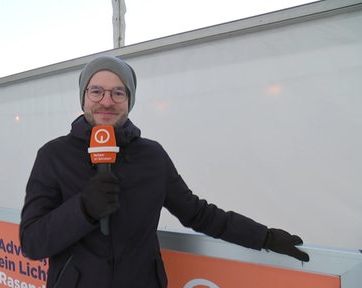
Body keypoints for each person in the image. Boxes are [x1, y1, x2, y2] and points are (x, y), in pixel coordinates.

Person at [20, 55, 309, 287]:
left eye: (118, 92)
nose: (106, 101)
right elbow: (32, 242)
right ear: (83, 97)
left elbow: (198, 213)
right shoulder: (53, 156)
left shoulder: (152, 155)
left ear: (129, 101)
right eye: (96, 91)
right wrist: (83, 209)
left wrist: (264, 237)